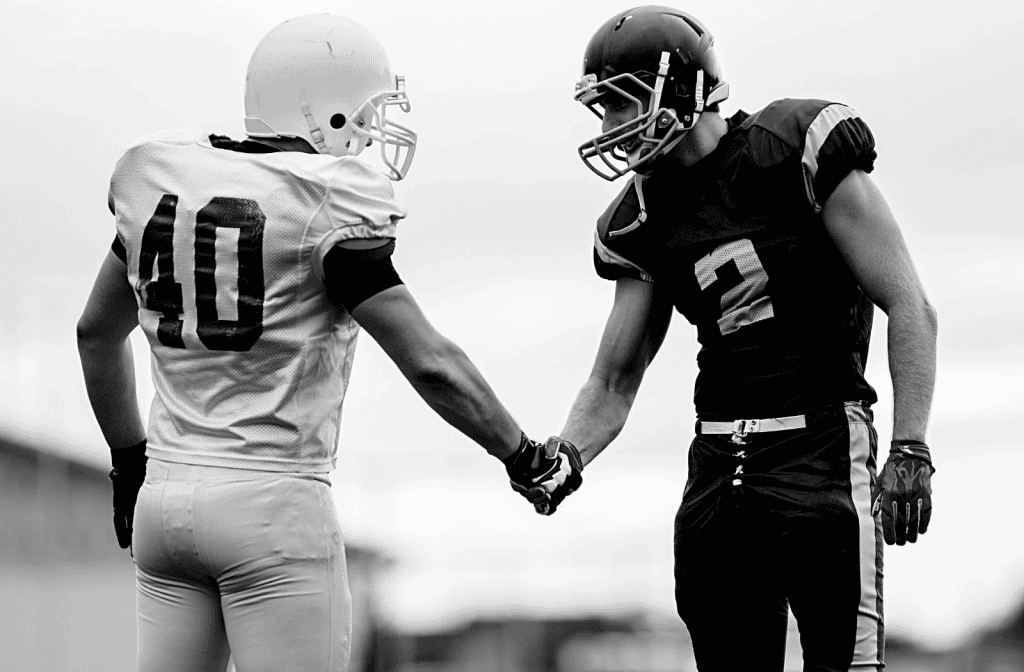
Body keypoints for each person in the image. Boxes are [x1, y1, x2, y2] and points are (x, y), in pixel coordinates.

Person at [75, 14, 576, 672]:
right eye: (366, 113)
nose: (372, 131)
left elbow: (94, 332)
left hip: (165, 504)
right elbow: (431, 364)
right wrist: (521, 454)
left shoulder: (162, 175)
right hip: (272, 507)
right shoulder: (325, 199)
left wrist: (127, 462)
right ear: (329, 111)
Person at [529, 6, 938, 671]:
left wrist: (911, 445)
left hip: (822, 449)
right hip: (718, 464)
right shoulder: (640, 217)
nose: (611, 128)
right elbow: (612, 380)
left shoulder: (792, 147)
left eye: (624, 103)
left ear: (687, 87)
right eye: (602, 109)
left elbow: (910, 304)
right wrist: (569, 453)